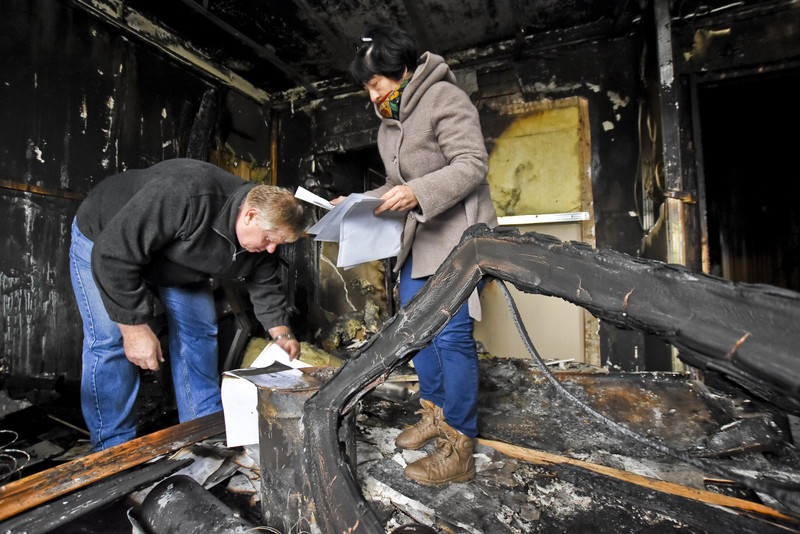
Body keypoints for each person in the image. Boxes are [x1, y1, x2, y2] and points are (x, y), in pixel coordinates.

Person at [345, 25, 498, 485]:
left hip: (459, 237)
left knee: (451, 338)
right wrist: (354, 201)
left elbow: (471, 163)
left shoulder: (445, 98)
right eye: (367, 88)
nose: (371, 95)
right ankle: (434, 414)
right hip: (420, 239)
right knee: (418, 334)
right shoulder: (389, 126)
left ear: (403, 69)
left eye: (375, 83)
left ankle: (459, 445)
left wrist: (415, 192)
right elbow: (397, 187)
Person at [69, 158, 306, 451]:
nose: (271, 249)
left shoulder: (263, 232)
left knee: (200, 332)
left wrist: (281, 335)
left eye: (278, 244)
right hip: (105, 240)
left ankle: (201, 431)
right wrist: (133, 328)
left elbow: (265, 279)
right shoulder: (186, 195)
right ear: (250, 216)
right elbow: (113, 257)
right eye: (269, 240)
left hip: (175, 258)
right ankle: (113, 448)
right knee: (110, 342)